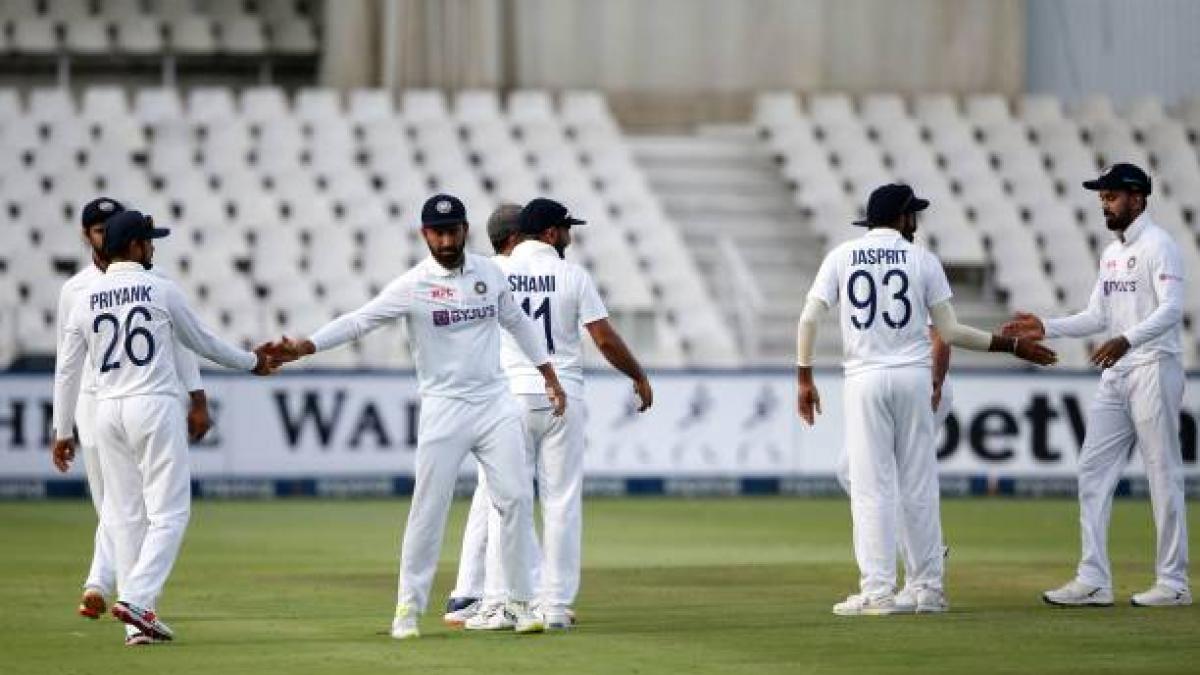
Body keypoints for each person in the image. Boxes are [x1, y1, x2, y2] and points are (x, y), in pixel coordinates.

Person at [265, 194, 567, 639]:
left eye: (452, 231)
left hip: (494, 403)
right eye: (437, 233)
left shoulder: (489, 273)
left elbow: (517, 322)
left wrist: (548, 374)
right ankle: (407, 608)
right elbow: (359, 320)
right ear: (425, 235)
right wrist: (307, 346)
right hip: (444, 409)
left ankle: (519, 603)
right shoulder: (414, 284)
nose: (445, 241)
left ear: (465, 230)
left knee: (517, 499)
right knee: (428, 510)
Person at [796, 183, 1055, 615]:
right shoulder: (922, 259)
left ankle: (878, 592)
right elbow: (950, 333)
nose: (915, 221)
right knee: (917, 484)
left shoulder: (841, 256)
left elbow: (808, 319)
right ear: (903, 218)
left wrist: (804, 378)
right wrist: (1010, 347)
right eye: (912, 214)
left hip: (864, 380)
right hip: (915, 377)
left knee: (871, 488)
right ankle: (927, 590)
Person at [52, 210, 275, 645]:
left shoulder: (84, 298)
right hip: (152, 403)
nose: (153, 247)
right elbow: (202, 342)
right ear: (134, 246)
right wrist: (253, 363)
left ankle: (137, 625)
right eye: (149, 241)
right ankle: (137, 599)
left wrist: (62, 431)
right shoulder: (160, 289)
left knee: (127, 516)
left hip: (106, 410)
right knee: (170, 513)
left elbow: (67, 370)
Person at [445, 199, 653, 631]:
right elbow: (604, 338)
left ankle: (502, 604)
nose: (570, 237)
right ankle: (554, 606)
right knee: (561, 503)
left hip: (508, 400)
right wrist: (638, 375)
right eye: (566, 229)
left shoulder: (492, 272)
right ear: (551, 233)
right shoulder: (572, 275)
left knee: (508, 501)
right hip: (565, 398)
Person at [1002, 163, 1190, 607]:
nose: (1103, 203)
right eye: (1101, 196)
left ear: (1138, 199)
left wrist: (1128, 338)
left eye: (1111, 196)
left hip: (1154, 366)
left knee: (1162, 474)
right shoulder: (1111, 253)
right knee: (1092, 470)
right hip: (1118, 373)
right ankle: (1094, 579)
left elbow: (1171, 310)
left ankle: (1173, 582)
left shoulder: (1160, 246)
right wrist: (1044, 326)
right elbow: (1097, 317)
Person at [54, 198, 212, 634]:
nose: (103, 235)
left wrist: (197, 396)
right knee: (124, 510)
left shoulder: (135, 283)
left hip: (110, 405)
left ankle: (121, 599)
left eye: (110, 228)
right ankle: (128, 601)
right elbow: (68, 364)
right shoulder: (81, 288)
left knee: (124, 511)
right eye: (97, 228)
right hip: (112, 401)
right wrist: (64, 425)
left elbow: (178, 342)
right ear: (87, 235)